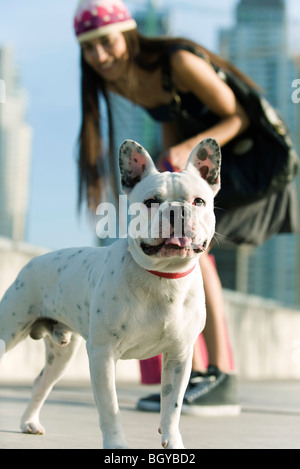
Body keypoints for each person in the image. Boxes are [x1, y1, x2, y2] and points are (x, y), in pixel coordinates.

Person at [73, 0, 298, 415]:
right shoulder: (122, 81)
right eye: (89, 48)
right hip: (195, 163)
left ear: (127, 34)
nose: (100, 55)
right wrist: (168, 156)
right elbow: (170, 119)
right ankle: (184, 372)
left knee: (197, 253)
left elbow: (237, 118)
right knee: (180, 246)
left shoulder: (177, 60)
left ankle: (220, 374)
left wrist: (186, 152)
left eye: (106, 42)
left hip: (245, 157)